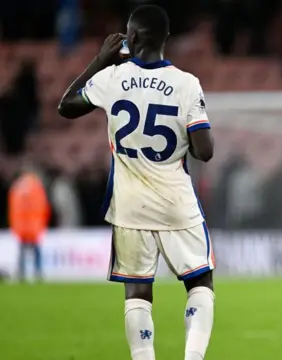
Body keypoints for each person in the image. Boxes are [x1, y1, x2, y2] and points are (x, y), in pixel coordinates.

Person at [57, 5, 215, 360]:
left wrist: (100, 60)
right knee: (199, 282)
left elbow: (66, 105)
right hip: (177, 204)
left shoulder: (112, 79)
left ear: (131, 37)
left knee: (137, 292)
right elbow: (205, 152)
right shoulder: (187, 84)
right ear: (166, 38)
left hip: (128, 205)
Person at [8, 161, 50, 282]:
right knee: (36, 250)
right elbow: (44, 206)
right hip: (34, 224)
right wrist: (43, 222)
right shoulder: (36, 186)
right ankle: (38, 273)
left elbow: (12, 208)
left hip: (21, 225)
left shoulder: (16, 187)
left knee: (22, 250)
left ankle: (21, 273)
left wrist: (15, 224)